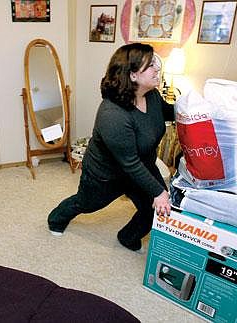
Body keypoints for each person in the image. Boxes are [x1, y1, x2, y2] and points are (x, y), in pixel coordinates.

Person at [47, 43, 173, 252]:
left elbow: (168, 112)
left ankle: (127, 237)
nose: (157, 69)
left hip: (142, 166)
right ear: (133, 75)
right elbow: (129, 163)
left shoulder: (151, 95)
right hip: (107, 174)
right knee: (86, 204)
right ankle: (56, 218)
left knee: (153, 210)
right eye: (150, 65)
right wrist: (159, 191)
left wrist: (195, 110)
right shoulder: (112, 113)